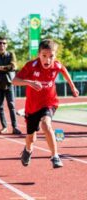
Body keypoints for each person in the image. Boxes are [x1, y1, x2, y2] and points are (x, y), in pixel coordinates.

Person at [13, 39, 79, 168]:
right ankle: (28, 150)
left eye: (51, 56)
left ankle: (55, 156)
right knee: (31, 138)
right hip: (32, 107)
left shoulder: (56, 65)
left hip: (49, 102)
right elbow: (14, 80)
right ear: (38, 54)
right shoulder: (31, 66)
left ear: (55, 56)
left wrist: (73, 87)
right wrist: (29, 82)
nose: (47, 60)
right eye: (44, 56)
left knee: (46, 123)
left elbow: (64, 71)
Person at [0, 36, 22, 135]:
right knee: (0, 107)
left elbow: (13, 67)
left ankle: (15, 127)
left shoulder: (11, 54)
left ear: (6, 45)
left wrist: (0, 67)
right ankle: (4, 127)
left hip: (9, 82)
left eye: (4, 43)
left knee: (11, 105)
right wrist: (5, 68)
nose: (2, 45)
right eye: (0, 43)